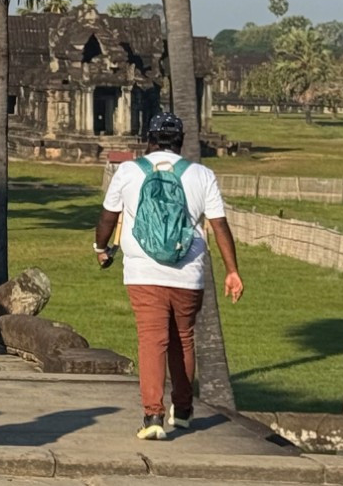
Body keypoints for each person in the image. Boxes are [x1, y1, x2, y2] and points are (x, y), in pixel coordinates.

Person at [94, 112, 244, 441]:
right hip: (188, 272)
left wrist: (100, 248)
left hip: (143, 272)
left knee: (152, 340)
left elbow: (108, 217)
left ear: (148, 139)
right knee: (183, 338)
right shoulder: (202, 175)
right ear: (182, 142)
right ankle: (184, 409)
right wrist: (232, 270)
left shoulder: (129, 171)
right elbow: (220, 226)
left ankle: (152, 416)